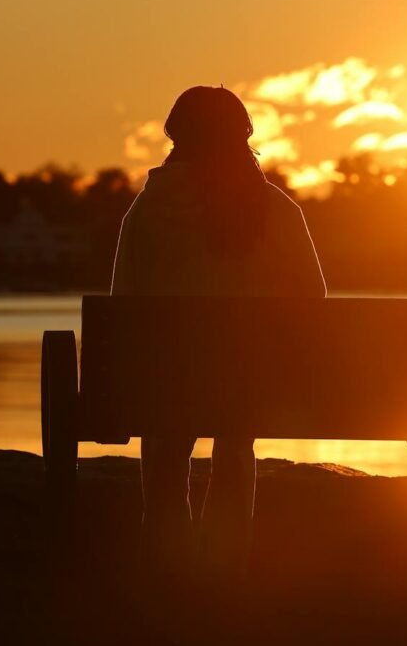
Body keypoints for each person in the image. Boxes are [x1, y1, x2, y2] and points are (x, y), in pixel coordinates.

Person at [110, 86, 326, 582]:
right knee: (237, 426)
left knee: (165, 430)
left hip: (166, 384)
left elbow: (123, 315)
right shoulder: (277, 211)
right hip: (251, 385)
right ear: (242, 136)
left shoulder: (145, 213)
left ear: (175, 137)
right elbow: (315, 303)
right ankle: (226, 569)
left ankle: (167, 565)